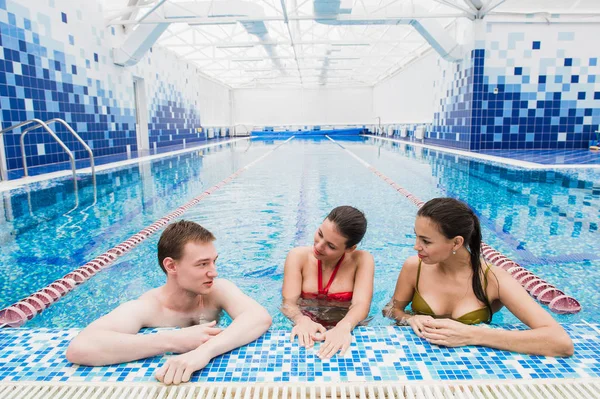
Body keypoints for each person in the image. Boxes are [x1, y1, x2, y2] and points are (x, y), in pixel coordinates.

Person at [66, 220, 272, 385]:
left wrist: (204, 352)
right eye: (202, 264)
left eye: (213, 261)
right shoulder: (147, 307)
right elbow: (80, 348)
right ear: (171, 266)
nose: (214, 272)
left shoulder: (217, 290)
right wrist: (173, 340)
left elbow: (259, 317)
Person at [384, 197, 574, 357]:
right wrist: (409, 319)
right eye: (416, 236)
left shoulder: (494, 280)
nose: (416, 246)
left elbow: (560, 342)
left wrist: (472, 335)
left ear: (456, 242)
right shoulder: (414, 267)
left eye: (425, 241)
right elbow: (391, 309)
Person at [281, 206, 374, 359]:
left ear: (350, 248)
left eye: (331, 246)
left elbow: (361, 304)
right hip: (306, 327)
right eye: (320, 234)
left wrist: (344, 326)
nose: (318, 246)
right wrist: (301, 319)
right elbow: (288, 303)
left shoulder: (362, 260)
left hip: (345, 324)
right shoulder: (298, 257)